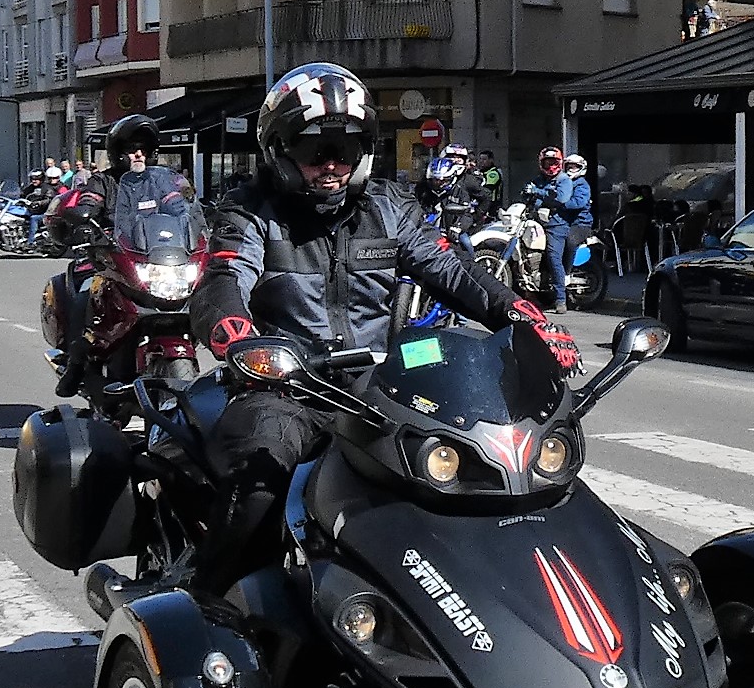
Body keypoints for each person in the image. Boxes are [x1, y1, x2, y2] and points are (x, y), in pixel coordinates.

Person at [184, 63, 578, 590]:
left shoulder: (389, 208)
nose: (331, 164)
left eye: (344, 149)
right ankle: (210, 598)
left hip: (378, 389)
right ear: (279, 152)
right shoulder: (250, 212)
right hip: (286, 389)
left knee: (473, 466)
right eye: (314, 150)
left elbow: (453, 271)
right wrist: (237, 334)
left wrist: (523, 316)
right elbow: (224, 277)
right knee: (262, 475)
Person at [48, 114, 195, 396]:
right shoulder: (103, 181)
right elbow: (89, 202)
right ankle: (76, 364)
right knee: (84, 293)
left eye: (143, 148)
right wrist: (84, 215)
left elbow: (179, 207)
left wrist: (198, 220)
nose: (138, 154)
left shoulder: (160, 183)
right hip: (109, 254)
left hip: (154, 258)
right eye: (131, 148)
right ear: (118, 153)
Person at [528, 147, 593, 312]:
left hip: (573, 223)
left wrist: (553, 201)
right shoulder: (545, 180)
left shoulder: (574, 183)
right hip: (551, 220)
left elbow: (569, 201)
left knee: (556, 254)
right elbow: (537, 197)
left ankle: (561, 297)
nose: (571, 169)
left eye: (575, 167)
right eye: (569, 166)